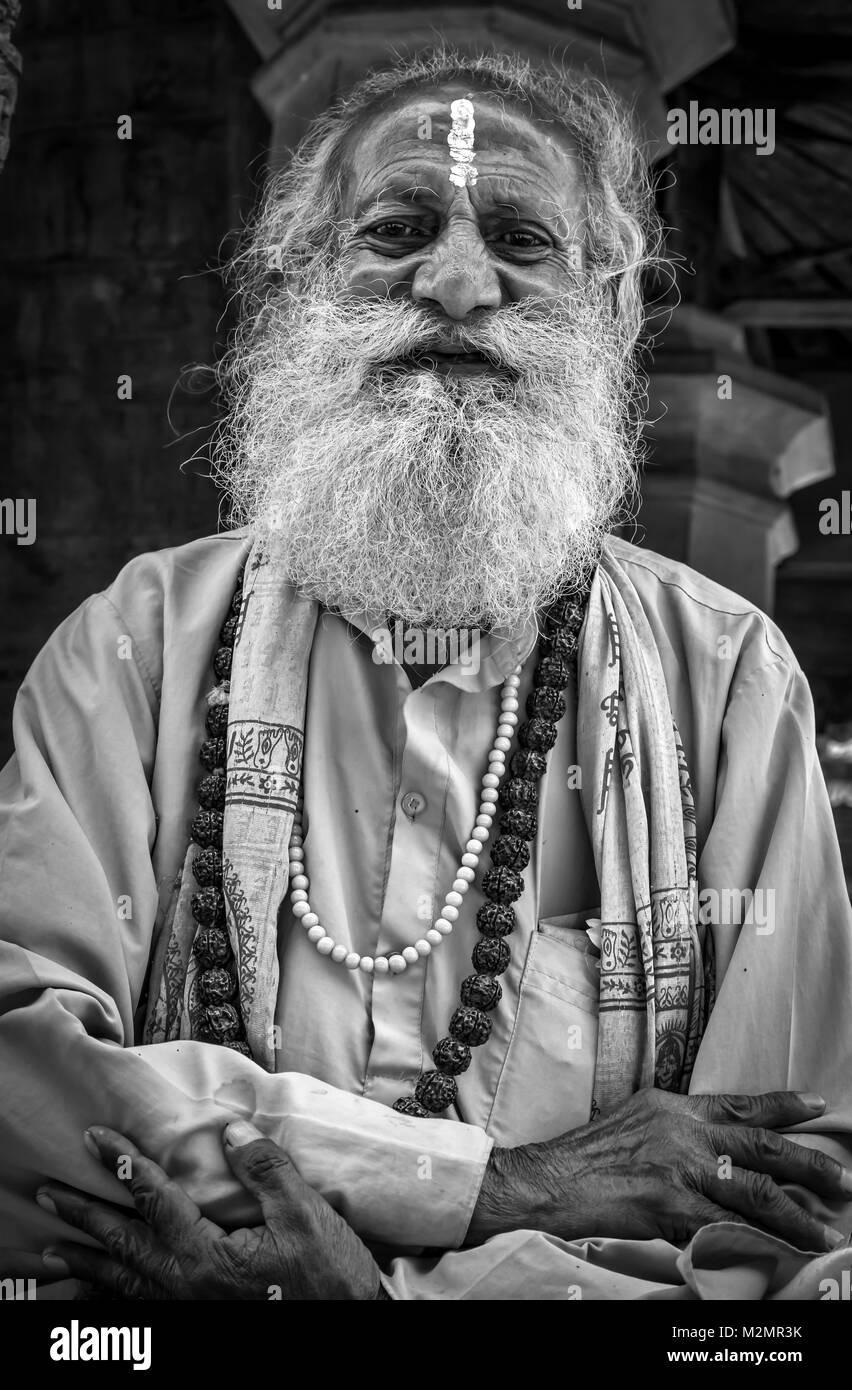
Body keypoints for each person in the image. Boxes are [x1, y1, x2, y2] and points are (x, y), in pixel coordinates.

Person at [2, 50, 852, 1302]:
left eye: (521, 237)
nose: (458, 283)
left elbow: (786, 1227)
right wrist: (510, 1185)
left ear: (612, 313)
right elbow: (23, 1070)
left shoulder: (727, 684)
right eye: (398, 227)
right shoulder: (135, 647)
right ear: (297, 295)